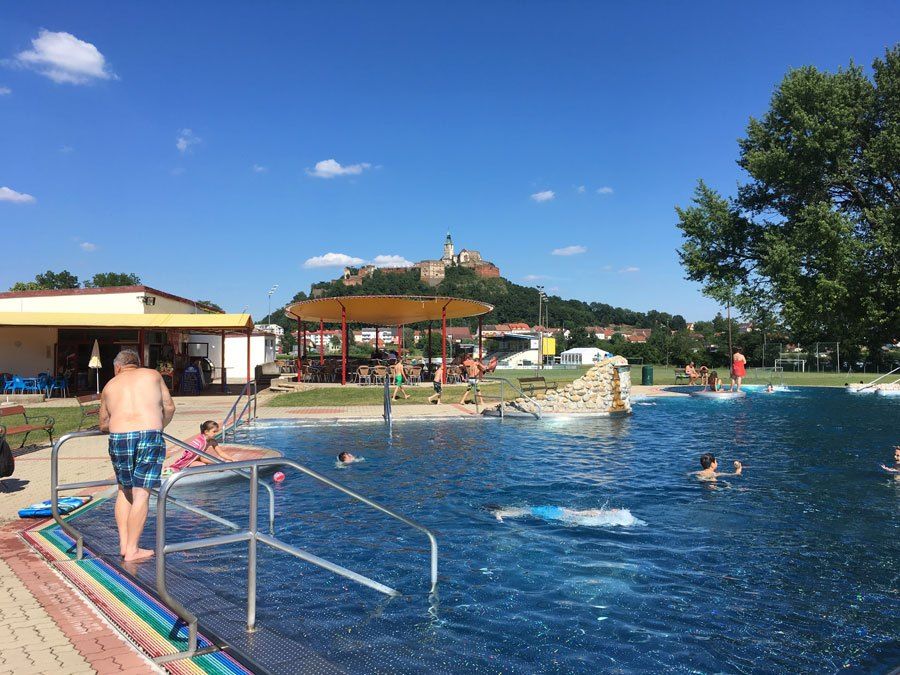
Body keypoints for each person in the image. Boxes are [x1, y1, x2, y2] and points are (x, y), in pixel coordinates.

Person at [99, 349, 175, 562]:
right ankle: (133, 549)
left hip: (119, 437)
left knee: (124, 490)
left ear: (117, 367)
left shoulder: (109, 386)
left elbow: (103, 423)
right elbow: (169, 407)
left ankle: (124, 545)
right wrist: (159, 425)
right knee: (141, 493)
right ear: (138, 364)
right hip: (149, 434)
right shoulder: (153, 375)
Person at [166, 420, 234, 473]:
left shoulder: (213, 441)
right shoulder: (200, 441)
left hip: (196, 459)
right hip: (189, 461)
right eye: (214, 432)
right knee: (202, 466)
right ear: (206, 432)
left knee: (205, 465)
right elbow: (202, 458)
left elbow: (221, 453)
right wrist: (220, 462)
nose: (216, 434)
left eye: (217, 431)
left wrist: (232, 459)